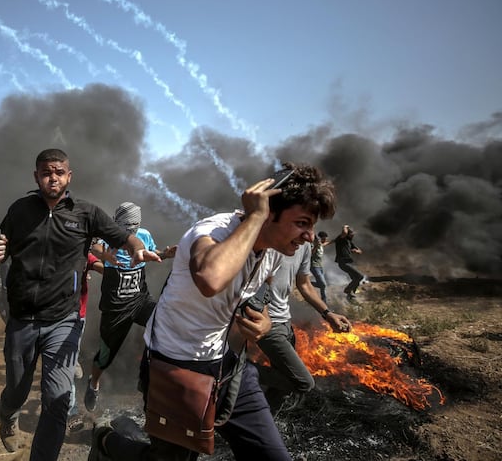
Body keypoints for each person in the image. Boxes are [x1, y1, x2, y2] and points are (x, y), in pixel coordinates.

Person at [94, 163, 337, 461]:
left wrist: (265, 322)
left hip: (229, 368)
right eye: (301, 223)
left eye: (311, 226)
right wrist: (255, 217)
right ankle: (106, 442)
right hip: (177, 368)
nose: (309, 236)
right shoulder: (212, 231)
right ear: (268, 212)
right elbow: (211, 279)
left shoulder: (275, 250)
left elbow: (254, 293)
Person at [0, 148, 159, 461]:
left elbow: (123, 236)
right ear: (36, 176)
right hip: (23, 319)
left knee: (56, 399)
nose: (53, 178)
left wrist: (137, 248)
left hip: (63, 321)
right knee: (17, 390)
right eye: (46, 172)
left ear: (69, 176)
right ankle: (8, 412)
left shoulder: (86, 212)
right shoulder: (20, 210)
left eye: (59, 172)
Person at [84, 202, 177, 412]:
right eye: (128, 226)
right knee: (105, 355)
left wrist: (166, 254)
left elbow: (152, 254)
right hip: (116, 308)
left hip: (140, 300)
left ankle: (147, 376)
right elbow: (94, 246)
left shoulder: (143, 235)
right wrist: (105, 256)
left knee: (165, 325)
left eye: (135, 225)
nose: (132, 230)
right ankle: (94, 383)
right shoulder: (109, 235)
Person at [256, 241, 351, 413]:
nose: (310, 234)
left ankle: (262, 427)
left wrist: (327, 314)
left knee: (282, 388)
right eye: (304, 221)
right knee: (302, 381)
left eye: (312, 224)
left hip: (286, 321)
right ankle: (240, 371)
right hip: (266, 323)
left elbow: (305, 284)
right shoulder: (269, 240)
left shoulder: (305, 246)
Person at [68, 251, 104, 432]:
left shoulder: (83, 251)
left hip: (77, 317)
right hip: (52, 318)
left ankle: (73, 361)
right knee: (64, 367)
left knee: (67, 365)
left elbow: (102, 267)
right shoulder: (47, 247)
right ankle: (71, 411)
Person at [335, 224, 368, 299]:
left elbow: (360, 251)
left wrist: (356, 251)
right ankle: (348, 290)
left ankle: (351, 294)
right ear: (348, 234)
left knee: (355, 278)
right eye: (352, 234)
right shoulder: (341, 239)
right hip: (343, 262)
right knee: (360, 276)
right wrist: (345, 226)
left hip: (349, 262)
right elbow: (344, 233)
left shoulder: (350, 242)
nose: (353, 235)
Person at [310, 231, 330, 302]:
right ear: (320, 238)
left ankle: (324, 302)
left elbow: (328, 243)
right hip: (314, 266)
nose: (325, 240)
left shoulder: (321, 245)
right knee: (323, 284)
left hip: (320, 267)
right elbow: (310, 254)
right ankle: (307, 283)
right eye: (324, 239)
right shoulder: (313, 245)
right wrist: (315, 246)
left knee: (322, 285)